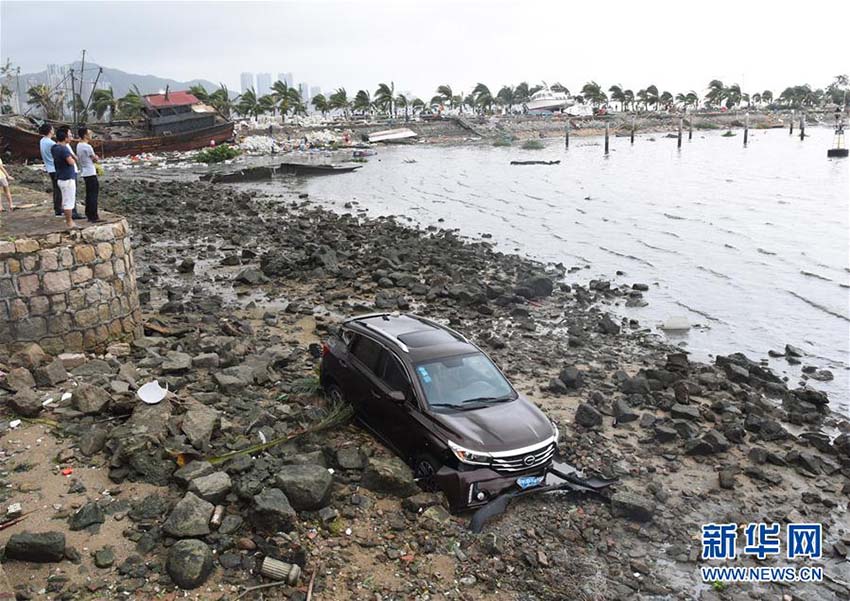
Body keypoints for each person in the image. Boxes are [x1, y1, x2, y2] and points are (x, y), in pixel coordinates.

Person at [50, 128, 78, 228]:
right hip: (67, 177)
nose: (71, 137)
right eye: (69, 135)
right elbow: (71, 162)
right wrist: (73, 157)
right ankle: (69, 221)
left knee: (65, 199)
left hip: (60, 176)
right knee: (69, 201)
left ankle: (68, 220)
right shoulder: (64, 149)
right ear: (65, 137)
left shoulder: (54, 147)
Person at [76, 127, 100, 222]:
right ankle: (94, 216)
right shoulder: (87, 147)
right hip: (90, 172)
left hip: (84, 172)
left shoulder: (79, 145)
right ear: (85, 135)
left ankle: (89, 214)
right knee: (93, 195)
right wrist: (96, 157)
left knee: (89, 194)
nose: (91, 135)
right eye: (89, 133)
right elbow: (94, 158)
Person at [39, 123, 62, 215]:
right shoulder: (51, 143)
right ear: (49, 131)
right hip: (55, 167)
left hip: (49, 167)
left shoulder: (42, 141)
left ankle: (57, 208)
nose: (53, 130)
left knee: (56, 188)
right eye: (52, 129)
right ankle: (58, 209)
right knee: (58, 189)